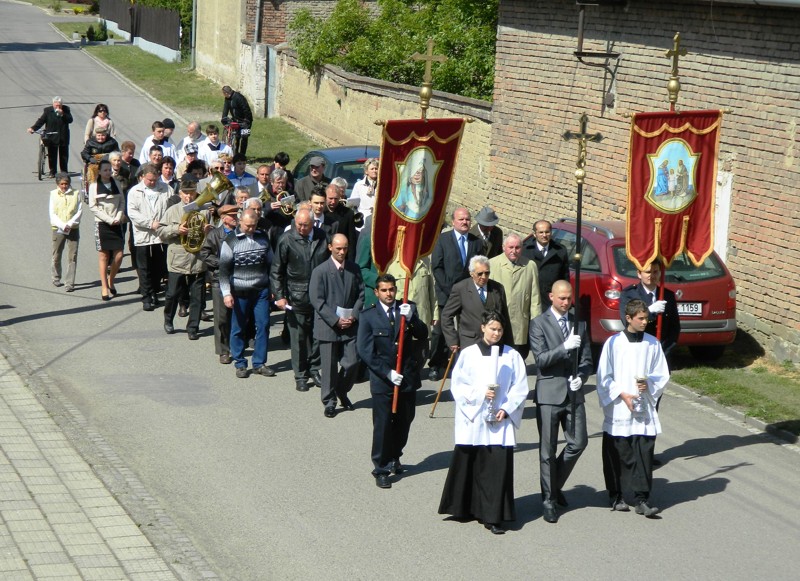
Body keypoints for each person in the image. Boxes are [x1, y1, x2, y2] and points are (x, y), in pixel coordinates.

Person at [438, 311, 529, 535]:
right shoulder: (469, 354)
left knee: (495, 468)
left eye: (500, 330)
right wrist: (481, 393)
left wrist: (506, 409)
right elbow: (458, 385)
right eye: (492, 329)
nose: (496, 333)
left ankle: (492, 516)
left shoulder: (512, 356)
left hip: (499, 419)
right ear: (482, 328)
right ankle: (464, 507)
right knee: (470, 461)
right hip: (474, 417)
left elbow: (520, 387)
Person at [597, 299, 669, 517]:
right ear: (628, 318)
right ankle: (616, 495)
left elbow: (662, 373)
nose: (645, 322)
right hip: (620, 406)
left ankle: (642, 499)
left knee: (644, 453)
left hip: (643, 405)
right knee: (619, 453)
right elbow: (604, 376)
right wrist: (622, 393)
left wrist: (649, 383)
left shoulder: (653, 343)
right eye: (641, 318)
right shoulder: (613, 344)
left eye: (646, 318)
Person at [528, 280, 592, 523]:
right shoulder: (539, 323)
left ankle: (552, 485)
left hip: (573, 393)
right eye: (562, 298)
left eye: (569, 298)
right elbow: (541, 360)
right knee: (548, 449)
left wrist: (581, 377)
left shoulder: (579, 324)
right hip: (549, 393)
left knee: (579, 442)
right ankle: (549, 501)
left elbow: (587, 360)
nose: (566, 302)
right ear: (551, 297)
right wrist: (564, 347)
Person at [357, 274, 428, 489]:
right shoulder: (368, 316)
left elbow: (423, 334)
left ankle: (395, 456)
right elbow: (365, 350)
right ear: (376, 292)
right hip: (383, 380)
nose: (389, 294)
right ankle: (381, 468)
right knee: (383, 425)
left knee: (405, 421)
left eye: (392, 289)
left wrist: (413, 319)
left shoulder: (407, 308)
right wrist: (386, 372)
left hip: (406, 377)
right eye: (384, 290)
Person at [271, 208, 331, 391]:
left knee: (318, 337)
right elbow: (276, 271)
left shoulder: (322, 237)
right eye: (299, 225)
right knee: (298, 339)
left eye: (305, 225)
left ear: (313, 223)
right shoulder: (287, 239)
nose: (302, 228)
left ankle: (314, 369)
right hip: (296, 296)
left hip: (319, 296)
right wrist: (280, 296)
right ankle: (300, 375)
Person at [309, 233, 365, 418]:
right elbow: (317, 300)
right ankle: (329, 401)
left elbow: (361, 295)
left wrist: (354, 315)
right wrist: (335, 319)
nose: (342, 252)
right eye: (338, 248)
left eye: (345, 248)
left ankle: (342, 390)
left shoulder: (354, 269)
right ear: (330, 247)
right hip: (328, 325)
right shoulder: (320, 271)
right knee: (329, 367)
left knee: (353, 362)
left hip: (349, 325)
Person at [219, 208, 275, 378]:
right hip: (239, 291)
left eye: (254, 225)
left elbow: (272, 264)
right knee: (238, 328)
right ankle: (240, 363)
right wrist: (226, 293)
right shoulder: (230, 241)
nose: (251, 229)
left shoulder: (263, 237)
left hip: (261, 290)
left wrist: (273, 288)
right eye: (248, 226)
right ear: (240, 222)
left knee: (263, 325)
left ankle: (259, 363)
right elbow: (223, 270)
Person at [429, 208, 483, 380]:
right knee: (440, 331)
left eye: (467, 219)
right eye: (461, 219)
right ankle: (436, 364)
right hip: (446, 292)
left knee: (467, 330)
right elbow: (437, 267)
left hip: (468, 294)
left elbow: (479, 268)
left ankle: (461, 365)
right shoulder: (443, 240)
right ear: (453, 221)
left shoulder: (477, 242)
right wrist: (450, 289)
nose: (465, 222)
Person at [156, 176, 212, 340]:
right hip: (178, 259)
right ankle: (168, 319)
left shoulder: (204, 210)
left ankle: (193, 327)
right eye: (185, 193)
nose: (188, 196)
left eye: (191, 193)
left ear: (196, 193)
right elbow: (160, 232)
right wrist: (176, 229)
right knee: (172, 293)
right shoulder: (173, 210)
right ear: (180, 194)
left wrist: (208, 231)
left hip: (198, 260)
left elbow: (213, 235)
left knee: (197, 297)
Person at [127, 163, 179, 310]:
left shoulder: (166, 189)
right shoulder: (135, 191)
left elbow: (172, 208)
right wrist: (150, 223)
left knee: (159, 267)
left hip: (161, 235)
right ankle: (146, 297)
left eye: (154, 180)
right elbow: (133, 213)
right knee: (144, 268)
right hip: (143, 235)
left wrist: (165, 224)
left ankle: (154, 291)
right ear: (143, 177)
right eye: (149, 180)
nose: (152, 182)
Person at [442, 255, 510, 355]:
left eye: (487, 273)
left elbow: (504, 317)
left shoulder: (498, 288)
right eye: (480, 273)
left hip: (494, 343)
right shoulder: (460, 289)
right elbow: (446, 315)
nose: (484, 277)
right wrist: (452, 340)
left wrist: (509, 343)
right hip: (470, 342)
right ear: (471, 273)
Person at [489, 233, 541, 359]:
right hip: (498, 321)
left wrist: (537, 323)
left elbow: (535, 298)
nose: (514, 251)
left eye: (517, 247)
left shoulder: (530, 266)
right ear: (503, 247)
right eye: (510, 247)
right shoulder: (492, 264)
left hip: (520, 322)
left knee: (518, 356)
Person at [199, 204, 239, 364]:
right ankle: (223, 350)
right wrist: (222, 262)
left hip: (239, 279)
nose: (235, 218)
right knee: (222, 317)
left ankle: (237, 345)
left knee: (238, 315)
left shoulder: (241, 232)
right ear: (223, 218)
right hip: (219, 280)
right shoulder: (215, 234)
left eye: (236, 215)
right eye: (232, 216)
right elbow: (204, 253)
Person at [619, 260, 680, 358]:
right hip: (639, 349)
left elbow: (674, 327)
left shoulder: (667, 295)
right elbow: (628, 323)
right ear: (639, 274)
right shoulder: (629, 294)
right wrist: (649, 311)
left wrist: (664, 350)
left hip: (662, 352)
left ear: (660, 273)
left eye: (655, 272)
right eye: (647, 272)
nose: (651, 275)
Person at [88, 160, 126, 301]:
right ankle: (104, 286)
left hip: (117, 222)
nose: (108, 172)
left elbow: (122, 202)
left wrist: (118, 216)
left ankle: (111, 279)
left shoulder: (116, 183)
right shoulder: (94, 186)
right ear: (99, 172)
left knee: (119, 255)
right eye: (105, 170)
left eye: (109, 169)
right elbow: (93, 207)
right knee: (103, 256)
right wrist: (108, 219)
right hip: (102, 224)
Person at [521, 219, 570, 308]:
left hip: (550, 299)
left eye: (547, 232)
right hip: (529, 297)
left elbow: (564, 276)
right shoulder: (525, 250)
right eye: (541, 232)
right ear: (535, 234)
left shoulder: (560, 250)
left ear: (551, 233)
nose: (544, 235)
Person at [49, 173, 82, 292]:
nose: (64, 186)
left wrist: (70, 224)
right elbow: (52, 213)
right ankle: (56, 277)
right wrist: (62, 225)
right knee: (56, 254)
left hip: (73, 228)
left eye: (66, 183)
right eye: (62, 184)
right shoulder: (53, 194)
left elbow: (79, 211)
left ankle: (69, 283)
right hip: (58, 229)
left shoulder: (76, 193)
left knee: (72, 256)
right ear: (58, 184)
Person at [28, 96, 72, 176]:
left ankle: (64, 171)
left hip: (63, 135)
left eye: (59, 105)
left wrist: (63, 114)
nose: (58, 107)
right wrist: (33, 128)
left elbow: (70, 120)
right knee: (52, 155)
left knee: (64, 155)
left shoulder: (66, 109)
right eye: (56, 105)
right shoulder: (48, 111)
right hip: (52, 135)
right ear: (53, 104)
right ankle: (53, 171)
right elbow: (41, 121)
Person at [221, 86, 253, 156]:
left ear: (226, 93)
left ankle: (242, 155)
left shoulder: (239, 97)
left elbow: (246, 109)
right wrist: (224, 118)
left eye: (223, 94)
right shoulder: (227, 98)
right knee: (236, 137)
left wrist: (247, 121)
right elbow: (225, 108)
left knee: (244, 137)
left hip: (245, 120)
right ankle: (235, 155)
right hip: (236, 120)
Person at [324, 182, 357, 249]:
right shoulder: (321, 212)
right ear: (325, 197)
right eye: (330, 198)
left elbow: (351, 239)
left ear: (340, 197)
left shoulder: (348, 213)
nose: (333, 201)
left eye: (336, 198)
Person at [350, 157, 378, 222]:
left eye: (376, 169)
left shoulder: (383, 184)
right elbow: (353, 204)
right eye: (372, 169)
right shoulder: (359, 185)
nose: (374, 171)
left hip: (378, 218)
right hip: (363, 219)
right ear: (366, 171)